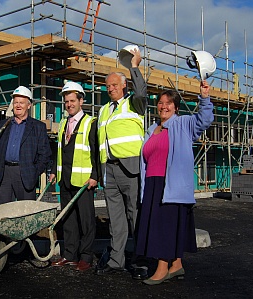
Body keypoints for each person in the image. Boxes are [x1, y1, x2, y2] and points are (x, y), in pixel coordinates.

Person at [136, 80, 214, 285]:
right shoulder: (152, 129)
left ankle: (162, 268)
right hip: (153, 184)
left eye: (169, 103)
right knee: (168, 226)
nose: (164, 106)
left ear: (176, 108)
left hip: (171, 184)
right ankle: (177, 264)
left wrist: (204, 98)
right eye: (161, 103)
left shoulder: (183, 124)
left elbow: (204, 120)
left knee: (164, 226)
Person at [96, 48, 148, 279]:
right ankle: (117, 260)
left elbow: (142, 91)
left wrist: (134, 67)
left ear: (124, 85)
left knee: (135, 216)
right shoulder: (104, 110)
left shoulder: (134, 104)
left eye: (115, 85)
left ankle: (141, 260)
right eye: (108, 86)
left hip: (131, 168)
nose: (110, 88)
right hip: (110, 170)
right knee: (115, 219)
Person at [49, 82, 98, 272]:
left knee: (86, 220)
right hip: (65, 179)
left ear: (81, 101)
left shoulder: (90, 123)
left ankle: (86, 256)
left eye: (72, 101)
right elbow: (59, 151)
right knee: (67, 219)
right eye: (66, 101)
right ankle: (69, 255)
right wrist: (54, 170)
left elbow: (96, 152)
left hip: (85, 181)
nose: (69, 104)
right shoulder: (63, 123)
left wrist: (95, 176)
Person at [0, 86, 51, 205]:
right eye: (16, 102)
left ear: (29, 105)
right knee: (1, 212)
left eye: (21, 103)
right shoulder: (2, 125)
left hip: (25, 174)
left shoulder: (38, 127)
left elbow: (45, 154)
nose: (18, 105)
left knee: (25, 213)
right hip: (3, 173)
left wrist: (34, 172)